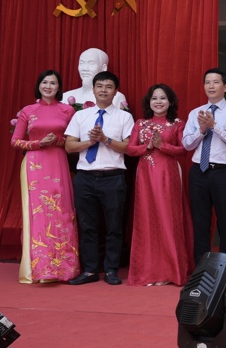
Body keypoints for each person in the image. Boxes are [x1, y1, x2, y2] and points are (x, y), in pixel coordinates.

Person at [64, 71, 135, 285]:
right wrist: (90, 142)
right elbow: (69, 146)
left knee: (114, 226)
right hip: (85, 177)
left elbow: (129, 147)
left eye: (108, 86)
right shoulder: (80, 116)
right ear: (93, 89)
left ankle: (111, 269)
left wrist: (105, 139)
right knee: (87, 226)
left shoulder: (125, 117)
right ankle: (90, 270)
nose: (103, 90)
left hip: (112, 177)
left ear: (115, 91)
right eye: (100, 86)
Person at [10, 70, 80, 283]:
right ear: (38, 85)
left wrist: (56, 141)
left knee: (62, 212)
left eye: (53, 83)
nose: (48, 86)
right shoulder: (28, 111)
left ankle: (65, 268)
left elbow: (72, 141)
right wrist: (38, 144)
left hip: (58, 162)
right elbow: (15, 141)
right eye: (45, 82)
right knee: (38, 214)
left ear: (59, 87)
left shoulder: (67, 110)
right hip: (34, 165)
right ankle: (41, 269)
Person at [125, 84, 193, 286]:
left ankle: (170, 271)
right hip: (145, 175)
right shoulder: (141, 123)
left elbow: (183, 150)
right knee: (147, 219)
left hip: (168, 174)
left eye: (163, 98)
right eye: (154, 98)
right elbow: (130, 149)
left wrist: (161, 145)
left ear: (170, 102)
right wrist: (147, 146)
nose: (158, 102)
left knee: (167, 218)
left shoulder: (178, 124)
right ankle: (149, 271)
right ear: (149, 102)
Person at [182, 68, 226, 262]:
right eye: (207, 82)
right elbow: (186, 144)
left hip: (224, 173)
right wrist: (201, 130)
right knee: (200, 223)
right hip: (199, 172)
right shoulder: (195, 113)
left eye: (215, 82)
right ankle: (201, 268)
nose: (210, 86)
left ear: (225, 87)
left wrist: (215, 127)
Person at [62, 48, 127, 109]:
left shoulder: (116, 97)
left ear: (103, 68)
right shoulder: (66, 96)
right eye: (81, 63)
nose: (84, 69)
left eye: (91, 64)